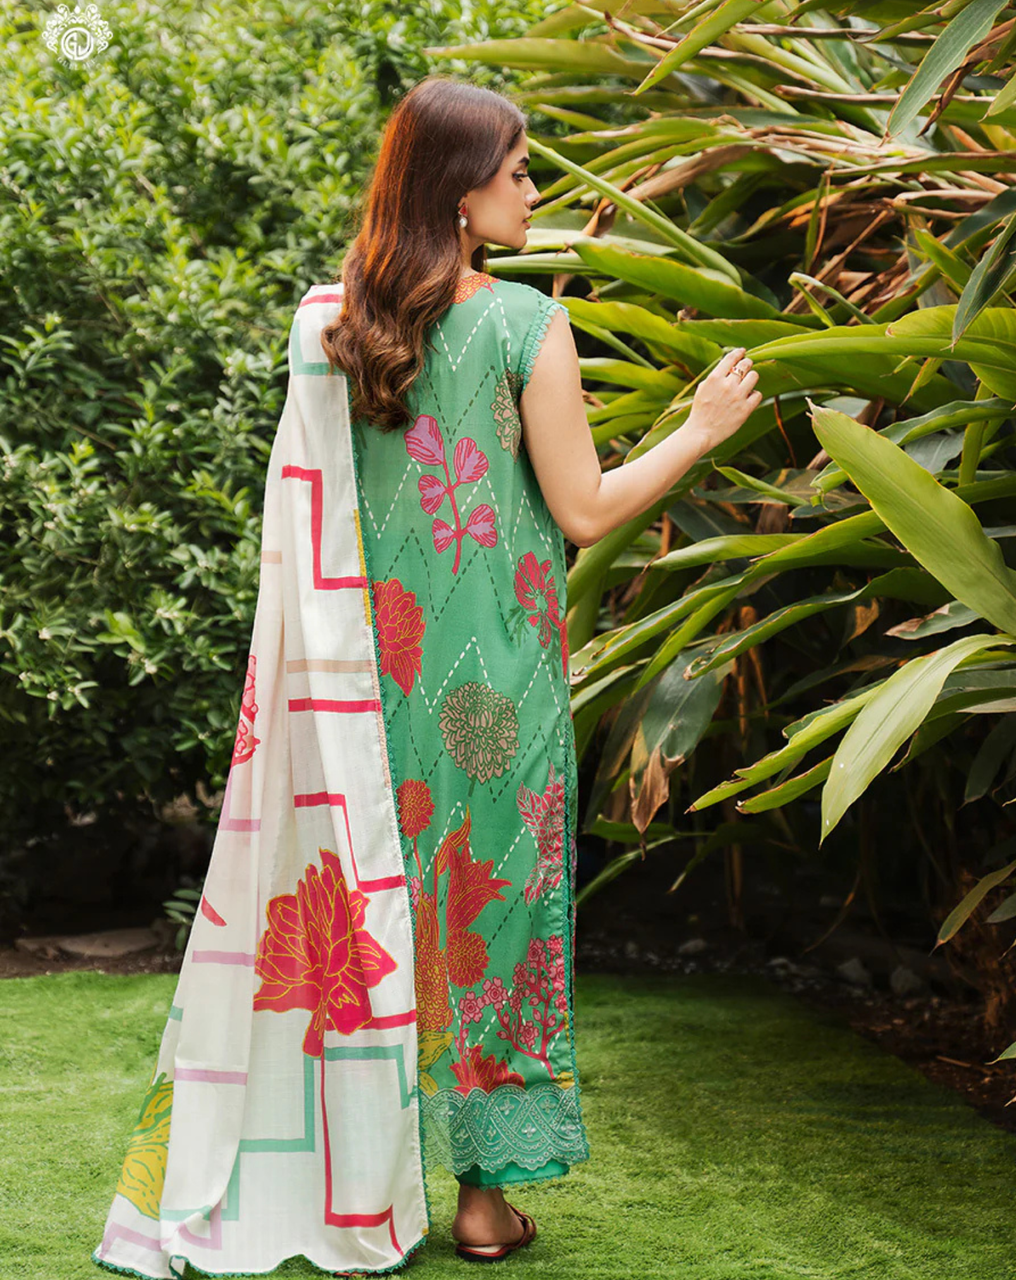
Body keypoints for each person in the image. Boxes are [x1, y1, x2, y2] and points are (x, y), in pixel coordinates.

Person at [93, 76, 760, 1280]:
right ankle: (480, 1202)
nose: (533, 190)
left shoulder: (332, 328)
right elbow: (584, 507)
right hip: (494, 689)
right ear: (458, 192)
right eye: (517, 170)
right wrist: (701, 427)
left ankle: (358, 1180)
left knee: (374, 921)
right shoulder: (524, 326)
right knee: (487, 919)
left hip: (355, 693)